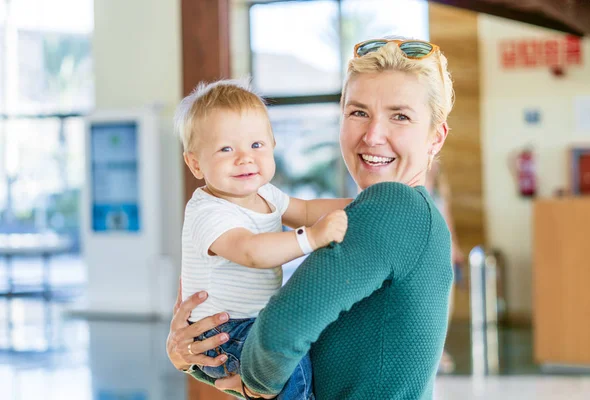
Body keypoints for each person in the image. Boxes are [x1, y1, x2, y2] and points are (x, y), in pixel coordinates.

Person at [167, 37, 455, 399]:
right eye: (358, 112)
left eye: (400, 116)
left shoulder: (392, 204)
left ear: (435, 137)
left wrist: (240, 377)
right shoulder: (413, 213)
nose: (372, 135)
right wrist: (195, 356)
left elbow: (278, 331)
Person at [173, 79, 350, 399]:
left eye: (256, 145)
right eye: (226, 149)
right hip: (224, 332)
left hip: (254, 324)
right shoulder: (208, 211)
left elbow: (308, 209)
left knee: (295, 351)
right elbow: (250, 251)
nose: (244, 158)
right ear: (195, 163)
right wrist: (310, 238)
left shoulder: (265, 194)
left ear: (272, 147)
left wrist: (363, 206)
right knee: (288, 361)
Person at [425, 162, 466, 374]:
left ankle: (440, 350)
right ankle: (431, 351)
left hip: (445, 253)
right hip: (426, 256)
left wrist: (456, 248)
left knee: (446, 305)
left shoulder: (441, 190)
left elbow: (448, 221)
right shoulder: (414, 188)